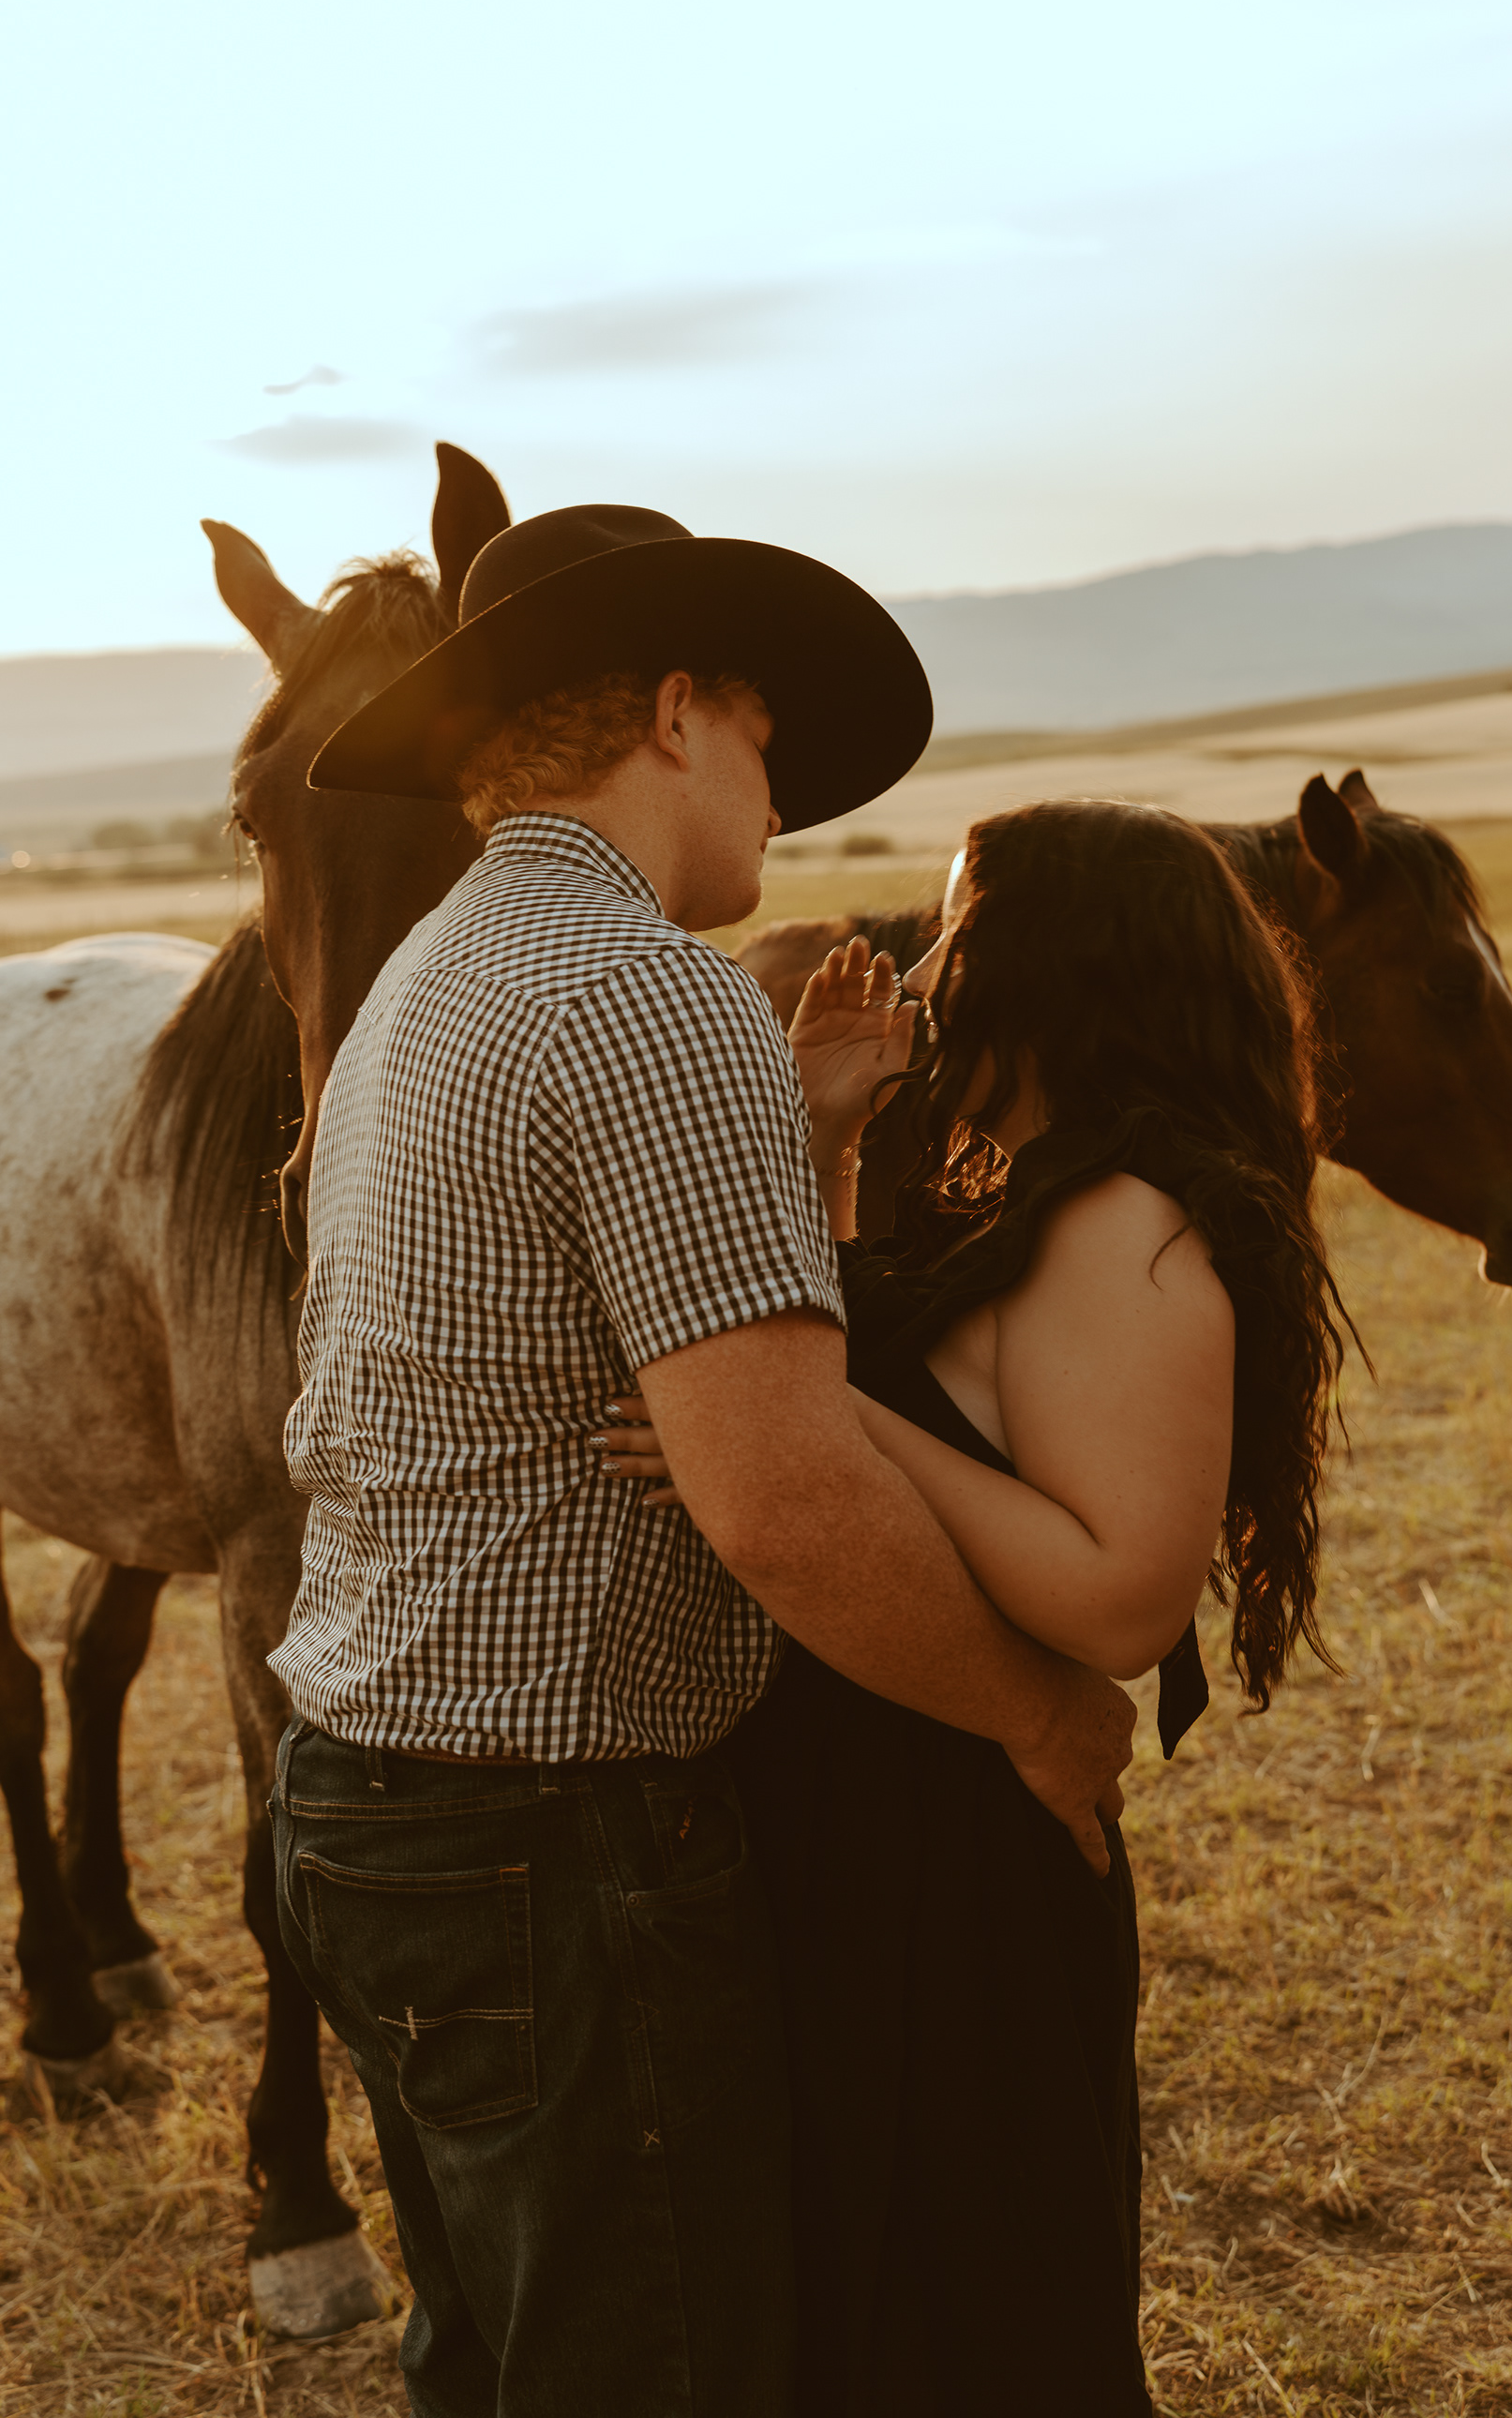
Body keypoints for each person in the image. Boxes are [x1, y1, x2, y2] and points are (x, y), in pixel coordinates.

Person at [265, 507, 1138, 2418]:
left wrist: (809, 1139)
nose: (782, 814)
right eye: (766, 746)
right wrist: (1036, 1714)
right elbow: (787, 1500)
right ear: (676, 713)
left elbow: (631, 1356)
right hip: (553, 1848)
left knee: (493, 2363)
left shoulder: (442, 968)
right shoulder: (654, 1000)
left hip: (378, 1815)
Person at [610, 797, 1346, 2416]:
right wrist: (827, 1143)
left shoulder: (1129, 1230)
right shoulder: (1035, 1192)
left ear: (1066, 967)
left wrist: (793, 1421)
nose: (931, 969)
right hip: (868, 1814)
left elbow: (1115, 1598)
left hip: (960, 1852)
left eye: (961, 931)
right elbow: (881, 1349)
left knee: (976, 2327)